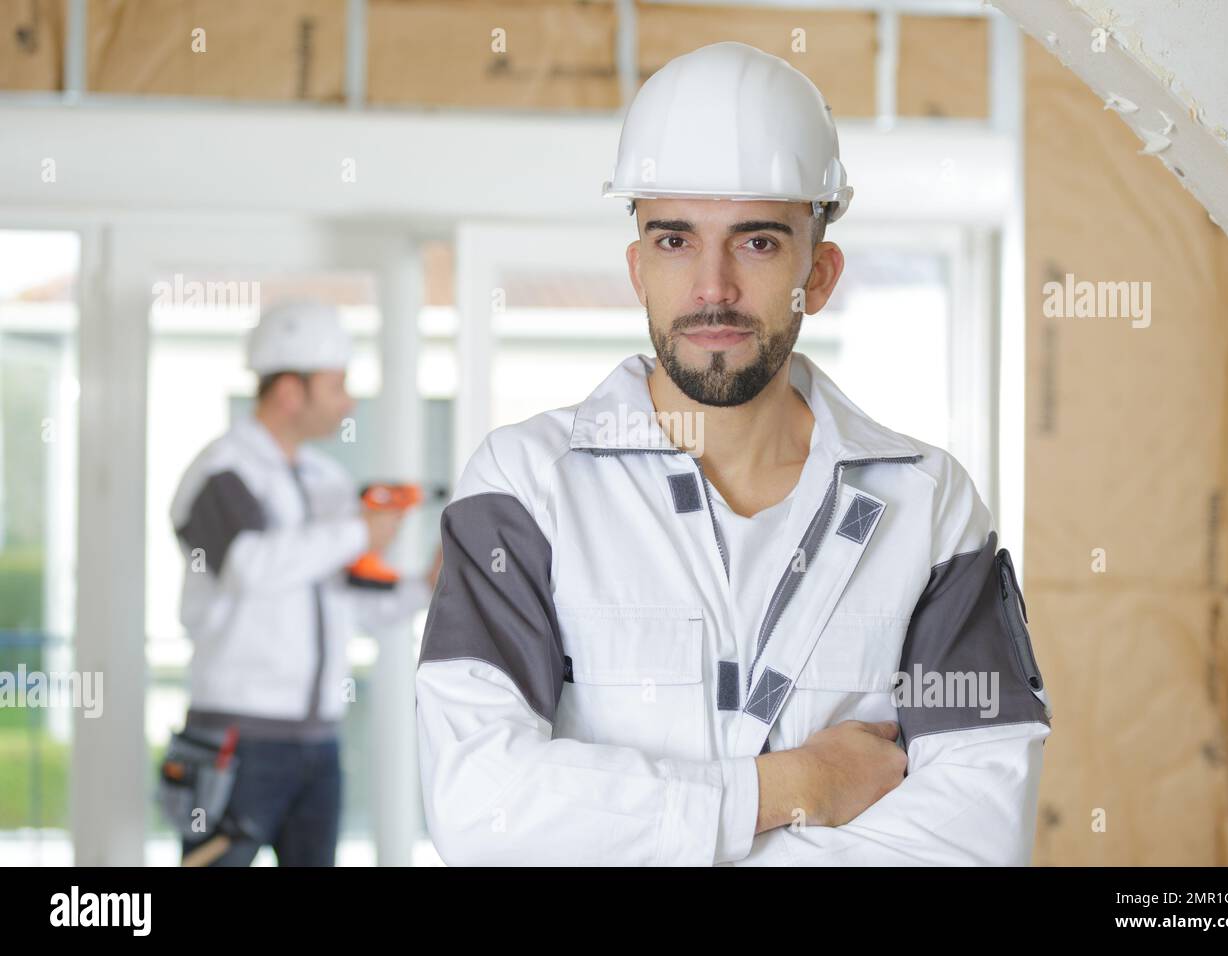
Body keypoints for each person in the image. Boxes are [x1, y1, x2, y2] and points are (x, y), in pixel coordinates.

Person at [415, 41, 1052, 866]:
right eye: (676, 241)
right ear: (639, 267)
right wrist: (791, 786)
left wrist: (634, 827)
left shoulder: (929, 509)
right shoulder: (528, 489)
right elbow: (480, 807)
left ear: (817, 275)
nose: (712, 286)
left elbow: (976, 834)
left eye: (755, 243)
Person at [168, 300, 439, 865]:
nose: (349, 401)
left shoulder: (325, 479)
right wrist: (357, 532)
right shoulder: (223, 471)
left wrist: (425, 585)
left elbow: (351, 606)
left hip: (317, 742)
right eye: (336, 385)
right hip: (236, 741)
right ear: (289, 391)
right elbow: (249, 566)